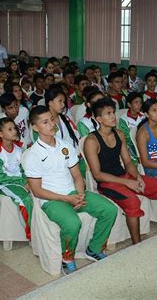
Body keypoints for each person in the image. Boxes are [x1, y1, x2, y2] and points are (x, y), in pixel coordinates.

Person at [23, 105, 117, 275]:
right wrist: (67, 199)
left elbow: (76, 176)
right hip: (51, 200)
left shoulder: (65, 146)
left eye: (52, 119)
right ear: (35, 128)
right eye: (45, 122)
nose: (51, 124)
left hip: (72, 193)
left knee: (109, 209)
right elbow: (37, 191)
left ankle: (94, 248)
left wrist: (79, 195)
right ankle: (67, 258)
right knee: (73, 223)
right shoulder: (32, 154)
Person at [84, 98, 157, 244]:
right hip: (108, 183)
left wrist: (137, 177)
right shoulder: (92, 141)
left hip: (126, 176)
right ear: (98, 119)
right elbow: (98, 175)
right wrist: (127, 182)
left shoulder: (119, 134)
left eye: (113, 113)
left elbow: (128, 162)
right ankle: (137, 245)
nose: (112, 116)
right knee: (133, 202)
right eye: (108, 114)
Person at [0, 117, 32, 240]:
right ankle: (32, 233)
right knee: (25, 199)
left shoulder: (18, 148)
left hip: (21, 181)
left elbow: (24, 168)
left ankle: (43, 225)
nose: (14, 131)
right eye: (10, 129)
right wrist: (22, 182)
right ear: (0, 134)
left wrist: (27, 180)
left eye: (14, 128)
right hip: (5, 184)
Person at [117, 92, 145, 166]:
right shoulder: (123, 119)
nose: (139, 105)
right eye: (136, 102)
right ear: (129, 104)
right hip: (131, 146)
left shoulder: (144, 116)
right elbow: (127, 138)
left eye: (140, 102)